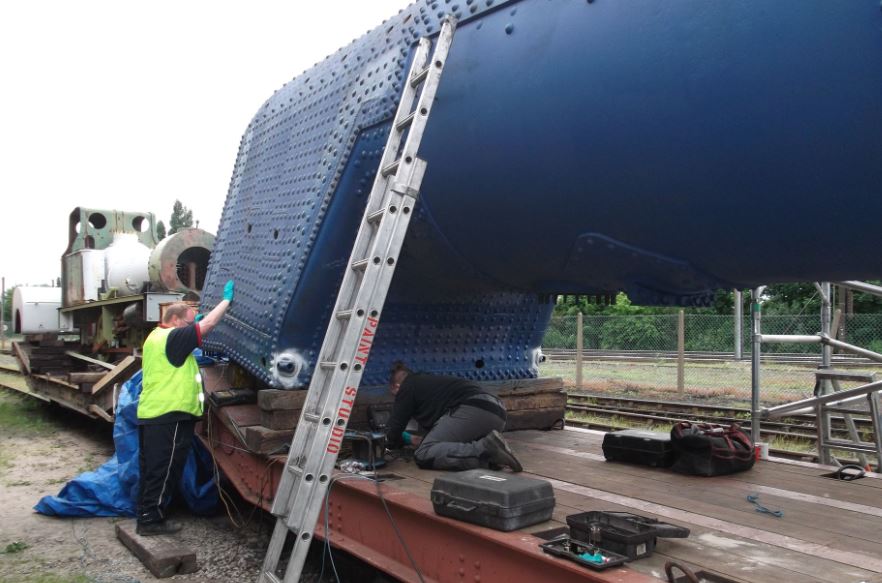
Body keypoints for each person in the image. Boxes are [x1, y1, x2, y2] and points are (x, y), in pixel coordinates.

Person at [135, 280, 234, 536]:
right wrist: (226, 302)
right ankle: (151, 522)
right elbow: (209, 325)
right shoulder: (173, 337)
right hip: (169, 415)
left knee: (153, 469)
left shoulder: (156, 336)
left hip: (154, 413)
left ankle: (146, 515)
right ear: (177, 321)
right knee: (164, 468)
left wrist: (195, 321)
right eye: (189, 322)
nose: (193, 326)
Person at [385, 362, 523, 472]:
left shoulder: (407, 386)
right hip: (497, 411)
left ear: (396, 387)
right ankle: (492, 458)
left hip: (473, 409)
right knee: (442, 447)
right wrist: (419, 439)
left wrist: (394, 441)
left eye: (395, 396)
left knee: (424, 454)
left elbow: (393, 430)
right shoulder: (428, 383)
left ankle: (486, 450)